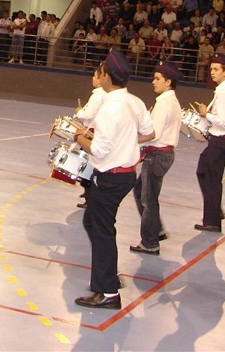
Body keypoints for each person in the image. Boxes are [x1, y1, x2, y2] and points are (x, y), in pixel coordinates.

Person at [72, 50, 154, 309]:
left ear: (107, 77)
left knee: (102, 230)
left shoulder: (109, 108)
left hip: (110, 177)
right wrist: (126, 143)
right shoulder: (135, 102)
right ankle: (105, 278)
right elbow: (149, 132)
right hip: (127, 174)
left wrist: (79, 137)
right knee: (93, 223)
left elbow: (99, 150)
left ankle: (108, 291)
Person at [131, 61, 182, 256]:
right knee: (141, 191)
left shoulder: (163, 103)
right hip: (164, 154)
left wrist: (131, 139)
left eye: (157, 79)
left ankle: (150, 242)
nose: (153, 82)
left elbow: (154, 133)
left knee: (148, 199)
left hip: (157, 155)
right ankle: (156, 229)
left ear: (168, 82)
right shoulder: (172, 101)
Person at [194, 54, 225, 232]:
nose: (212, 72)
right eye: (211, 69)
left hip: (220, 140)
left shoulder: (223, 92)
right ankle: (215, 210)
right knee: (206, 174)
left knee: (209, 177)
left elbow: (222, 121)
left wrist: (206, 114)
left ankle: (212, 220)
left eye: (216, 70)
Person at [74, 65, 107, 209]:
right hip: (97, 132)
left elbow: (87, 114)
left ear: (100, 79)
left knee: (87, 166)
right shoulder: (105, 94)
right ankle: (89, 193)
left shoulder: (98, 95)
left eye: (95, 76)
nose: (93, 78)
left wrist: (79, 112)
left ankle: (89, 196)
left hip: (91, 133)